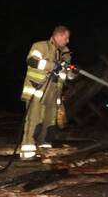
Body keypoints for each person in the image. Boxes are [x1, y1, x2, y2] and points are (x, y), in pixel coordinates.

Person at [19, 25, 73, 159]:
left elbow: (65, 75)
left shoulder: (65, 54)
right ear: (59, 35)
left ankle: (44, 149)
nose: (67, 41)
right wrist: (52, 65)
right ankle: (27, 151)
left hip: (54, 93)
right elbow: (32, 61)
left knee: (49, 122)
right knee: (34, 119)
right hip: (37, 90)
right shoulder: (40, 46)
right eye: (66, 38)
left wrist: (72, 73)